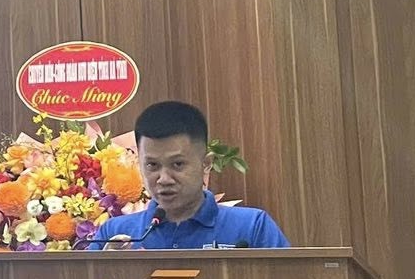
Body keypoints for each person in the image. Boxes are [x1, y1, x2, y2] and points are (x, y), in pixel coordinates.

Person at [92, 100, 291, 250]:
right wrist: (109, 268)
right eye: (152, 165)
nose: (164, 179)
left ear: (206, 164)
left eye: (177, 164)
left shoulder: (252, 227)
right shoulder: (114, 234)